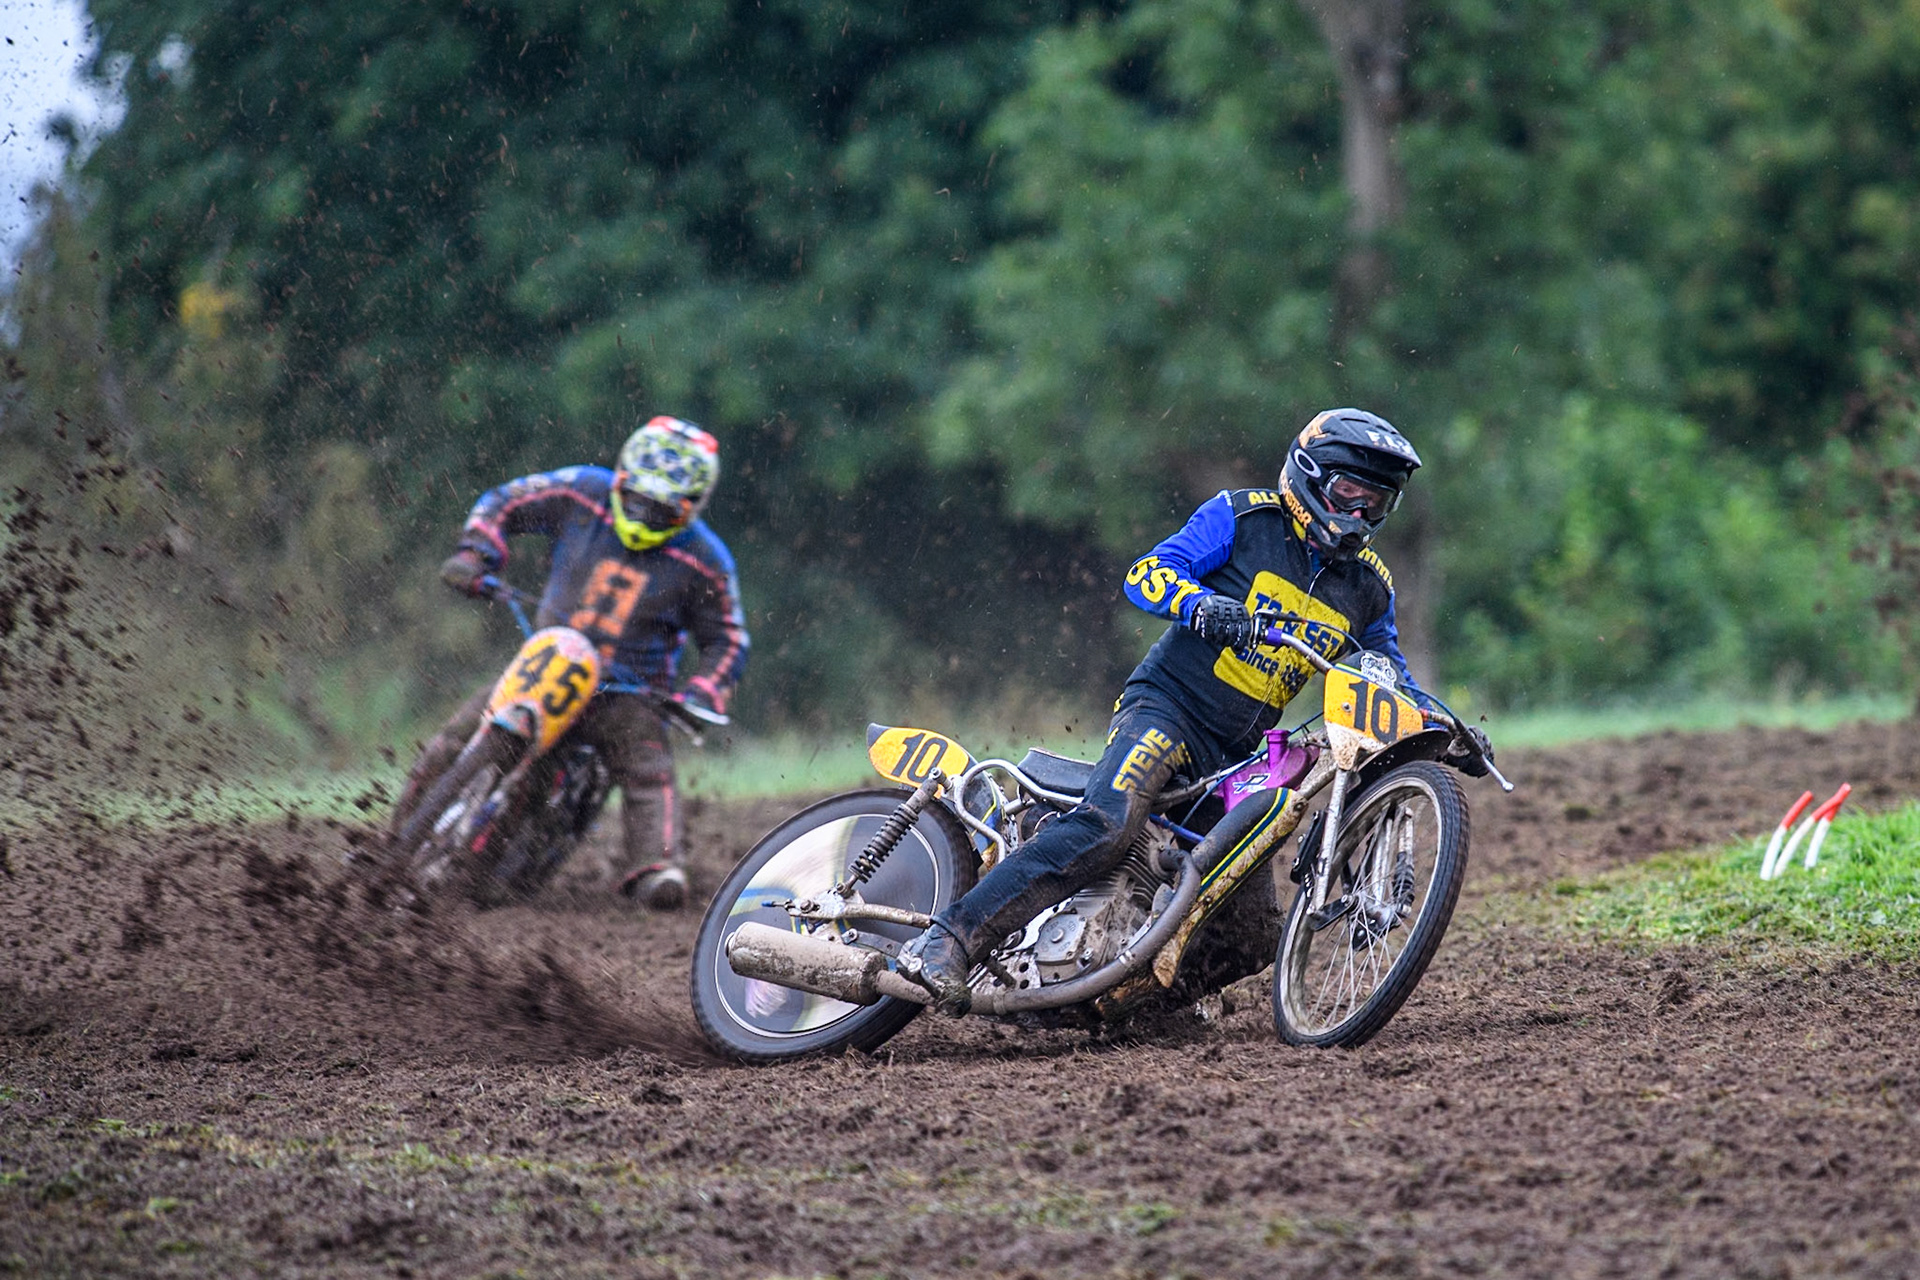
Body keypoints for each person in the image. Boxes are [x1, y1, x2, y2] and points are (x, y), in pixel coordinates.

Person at [900, 407, 1487, 1012]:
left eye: (1377, 504)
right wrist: (1202, 605)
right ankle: (947, 940)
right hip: (1168, 710)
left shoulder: (1370, 587)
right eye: (1349, 495)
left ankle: (1124, 1002)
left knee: (1254, 932)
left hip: (1240, 760)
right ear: (1310, 475)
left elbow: (1387, 674)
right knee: (1107, 826)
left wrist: (1443, 729)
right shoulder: (1243, 516)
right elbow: (1146, 573)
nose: (1361, 515)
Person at [395, 415, 749, 910]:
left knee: (647, 767)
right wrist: (477, 554)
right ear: (621, 478)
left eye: (662, 511)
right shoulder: (583, 490)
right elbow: (505, 501)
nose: (645, 516)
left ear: (691, 509)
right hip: (547, 659)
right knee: (456, 736)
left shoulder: (706, 559)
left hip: (626, 691)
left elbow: (728, 639)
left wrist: (703, 693)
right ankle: (393, 843)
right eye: (637, 500)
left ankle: (657, 867)